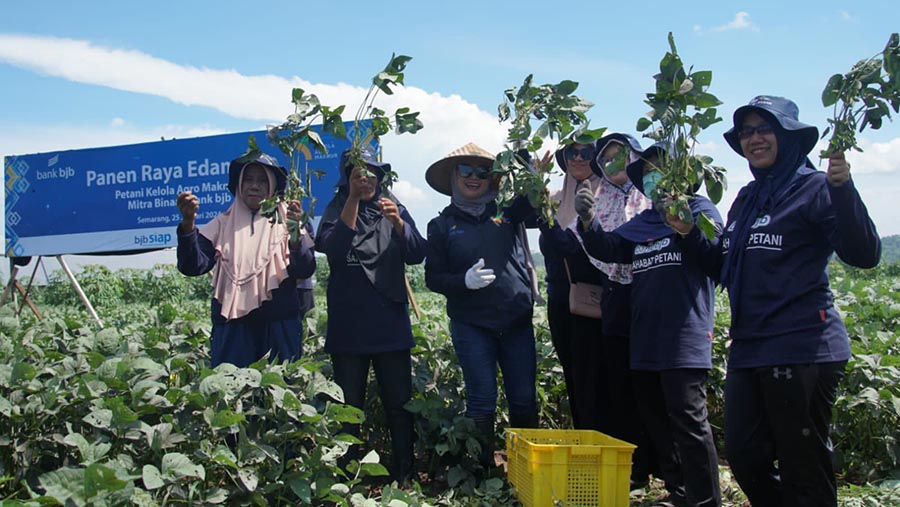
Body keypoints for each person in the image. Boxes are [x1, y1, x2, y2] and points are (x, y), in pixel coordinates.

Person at [669, 95, 881, 506]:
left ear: (788, 136)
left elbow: (865, 253)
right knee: (747, 460)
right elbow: (724, 266)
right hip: (751, 348)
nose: (754, 139)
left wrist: (843, 189)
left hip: (802, 345)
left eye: (764, 129)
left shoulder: (816, 188)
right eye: (746, 132)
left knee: (804, 466)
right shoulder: (747, 198)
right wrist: (688, 233)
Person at [576, 142, 723, 507]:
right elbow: (610, 248)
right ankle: (679, 491)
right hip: (644, 336)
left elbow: (715, 259)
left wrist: (688, 229)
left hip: (683, 334)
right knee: (657, 419)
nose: (656, 178)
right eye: (649, 172)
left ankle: (706, 500)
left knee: (689, 423)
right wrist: (588, 223)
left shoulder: (699, 209)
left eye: (662, 169)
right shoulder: (643, 223)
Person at [424, 143, 539, 470]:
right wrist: (463, 281)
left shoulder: (504, 212)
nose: (474, 178)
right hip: (471, 324)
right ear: (454, 177)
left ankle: (526, 469)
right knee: (482, 400)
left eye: (482, 172)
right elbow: (434, 278)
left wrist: (526, 163)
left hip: (516, 320)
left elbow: (532, 202)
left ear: (493, 178)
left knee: (523, 398)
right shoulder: (442, 225)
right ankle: (481, 471)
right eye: (466, 171)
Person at [315, 146, 426, 483]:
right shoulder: (336, 208)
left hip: (389, 320)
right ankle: (349, 475)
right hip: (349, 324)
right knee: (349, 408)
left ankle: (404, 472)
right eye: (357, 174)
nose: (366, 179)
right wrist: (351, 198)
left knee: (399, 404)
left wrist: (399, 225)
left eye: (371, 173)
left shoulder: (393, 207)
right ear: (346, 178)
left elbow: (418, 254)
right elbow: (332, 248)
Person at [175, 152, 316, 368]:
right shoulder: (221, 225)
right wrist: (187, 224)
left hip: (280, 328)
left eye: (262, 180)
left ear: (272, 186)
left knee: (280, 392)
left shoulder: (290, 219)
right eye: (248, 179)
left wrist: (295, 233)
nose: (254, 186)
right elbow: (193, 265)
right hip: (233, 331)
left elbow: (305, 269)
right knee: (232, 392)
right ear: (239, 184)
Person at [590, 133, 657, 488]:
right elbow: (593, 243)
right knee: (622, 386)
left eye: (622, 157)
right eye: (608, 160)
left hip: (652, 294)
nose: (616, 166)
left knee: (652, 386)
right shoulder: (598, 198)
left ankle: (663, 464)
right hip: (616, 296)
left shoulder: (653, 195)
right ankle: (635, 468)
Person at [538, 141, 610, 432]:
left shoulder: (606, 198)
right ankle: (583, 441)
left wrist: (547, 219)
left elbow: (574, 248)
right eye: (571, 153)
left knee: (592, 379)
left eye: (587, 153)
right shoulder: (554, 198)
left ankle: (601, 445)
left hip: (592, 302)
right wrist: (535, 181)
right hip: (560, 301)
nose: (578, 158)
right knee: (573, 375)